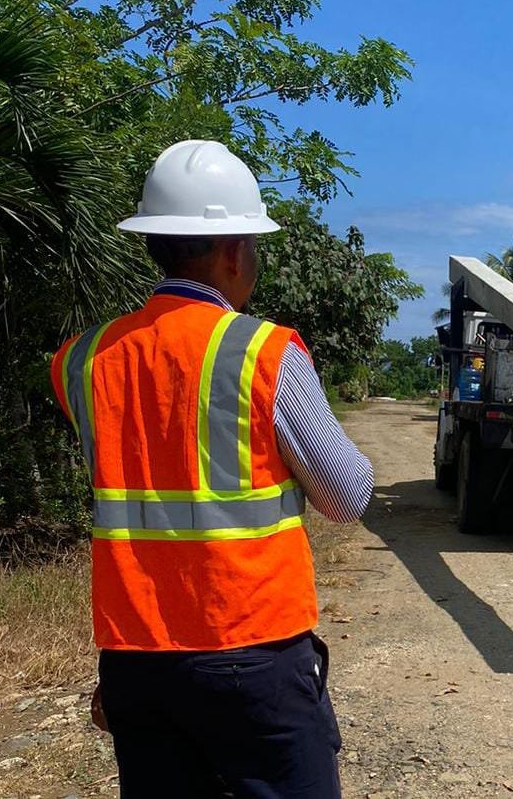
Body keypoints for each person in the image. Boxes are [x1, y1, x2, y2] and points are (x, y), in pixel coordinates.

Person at [50, 140, 374, 797]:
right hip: (251, 650)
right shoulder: (263, 353)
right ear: (231, 252)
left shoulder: (82, 360)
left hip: (136, 662)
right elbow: (346, 493)